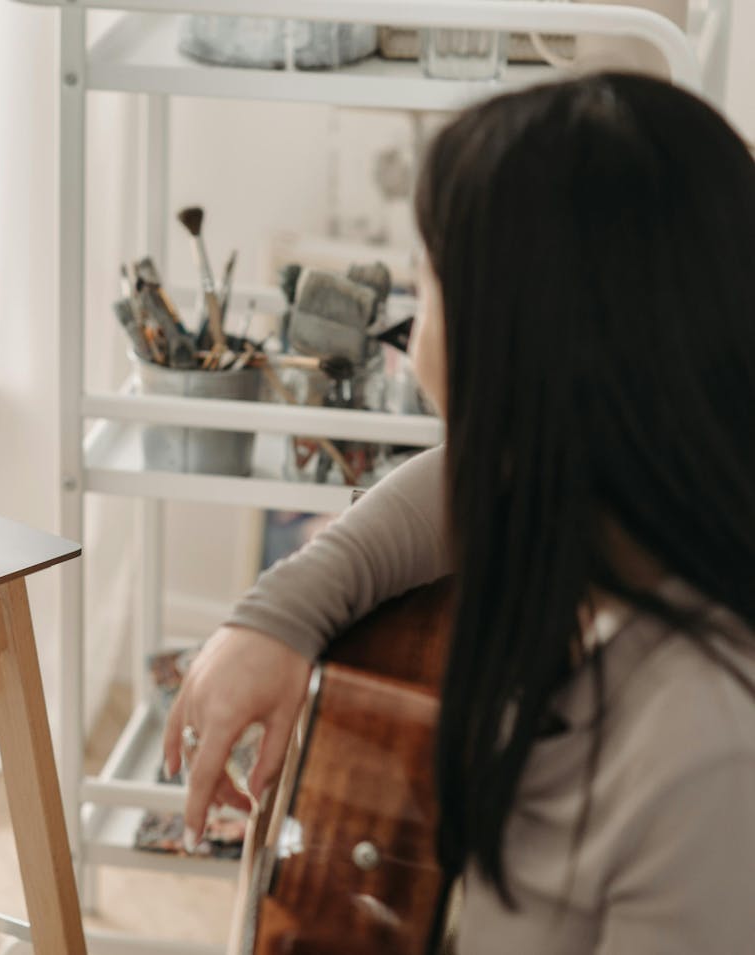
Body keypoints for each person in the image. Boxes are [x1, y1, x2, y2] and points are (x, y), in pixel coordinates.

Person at [164, 72, 755, 952]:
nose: (408, 332)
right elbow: (465, 480)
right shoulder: (623, 519)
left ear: (529, 342)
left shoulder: (709, 755)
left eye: (429, 283)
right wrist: (280, 615)